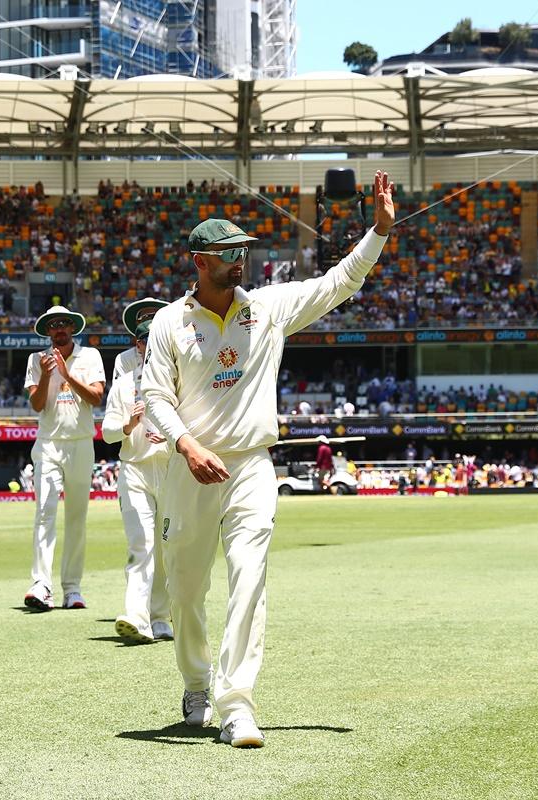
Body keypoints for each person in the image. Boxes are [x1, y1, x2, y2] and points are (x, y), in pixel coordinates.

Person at [142, 170, 396, 748]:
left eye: (243, 253)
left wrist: (378, 232)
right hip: (189, 470)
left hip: (252, 466)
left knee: (250, 578)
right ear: (199, 263)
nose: (241, 262)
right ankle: (196, 682)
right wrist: (187, 444)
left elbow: (339, 282)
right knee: (184, 591)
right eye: (229, 255)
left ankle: (237, 705)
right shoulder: (168, 323)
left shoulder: (270, 309)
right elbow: (154, 396)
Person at [22, 304, 105, 611]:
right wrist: (46, 375)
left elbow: (96, 398)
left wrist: (67, 373)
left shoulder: (90, 356)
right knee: (45, 511)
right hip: (48, 443)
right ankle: (41, 584)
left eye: (64, 324)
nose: (59, 329)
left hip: (81, 443)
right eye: (53, 325)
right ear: (47, 330)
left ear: (72, 328)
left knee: (76, 518)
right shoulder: (36, 359)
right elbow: (37, 404)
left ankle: (72, 588)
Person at [101, 321, 172, 643]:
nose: (152, 346)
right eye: (146, 341)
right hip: (134, 469)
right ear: (138, 346)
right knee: (141, 543)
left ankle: (161, 617)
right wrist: (128, 426)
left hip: (172, 468)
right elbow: (107, 433)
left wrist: (171, 438)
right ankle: (137, 617)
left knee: (168, 547)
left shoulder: (180, 380)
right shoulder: (123, 385)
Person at [112, 298, 168, 383]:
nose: (151, 321)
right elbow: (119, 391)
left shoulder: (175, 352)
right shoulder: (124, 359)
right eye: (145, 318)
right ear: (138, 323)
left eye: (155, 316)